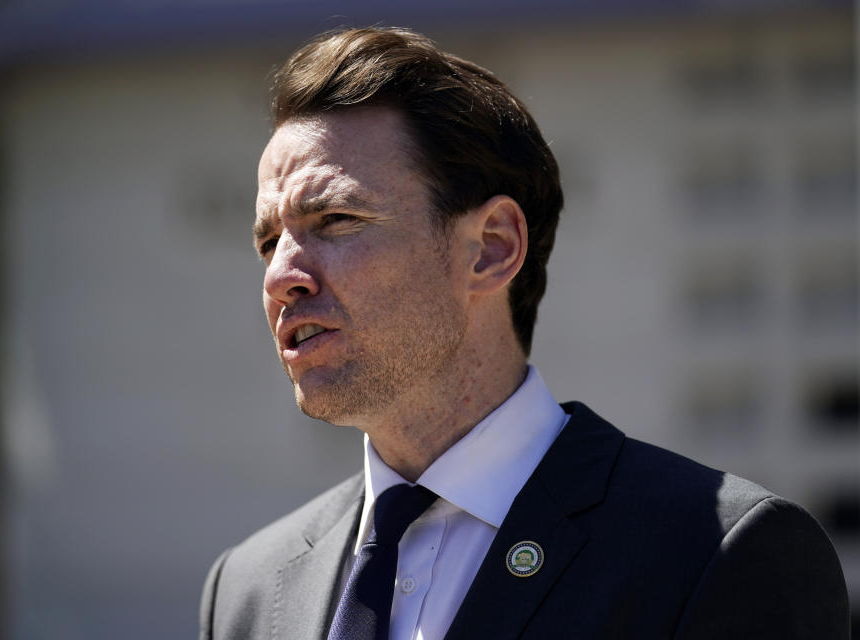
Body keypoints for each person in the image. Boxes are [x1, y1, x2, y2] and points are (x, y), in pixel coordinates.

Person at [200, 26, 850, 640]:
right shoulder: (248, 588)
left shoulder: (716, 551)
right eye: (267, 240)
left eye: (336, 219)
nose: (282, 274)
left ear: (491, 248)